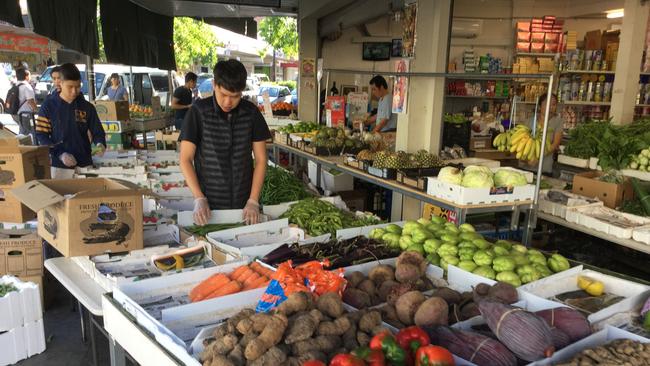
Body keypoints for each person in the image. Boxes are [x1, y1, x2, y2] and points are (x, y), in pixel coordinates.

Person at [179, 60, 271, 225]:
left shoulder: (251, 113)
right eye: (224, 95)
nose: (228, 102)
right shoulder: (198, 112)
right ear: (214, 84)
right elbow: (185, 159)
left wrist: (253, 200)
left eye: (235, 96)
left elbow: (261, 160)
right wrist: (199, 197)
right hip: (209, 207)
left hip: (244, 205)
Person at [35, 63, 106, 179]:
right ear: (60, 84)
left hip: (85, 164)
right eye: (70, 87)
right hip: (59, 166)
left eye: (78, 86)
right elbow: (41, 136)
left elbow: (98, 132)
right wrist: (60, 154)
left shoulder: (87, 107)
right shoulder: (48, 106)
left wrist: (100, 144)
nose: (74, 91)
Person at [523, 93, 563, 174]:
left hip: (544, 168)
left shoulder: (557, 122)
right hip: (526, 167)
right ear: (540, 106)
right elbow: (521, 143)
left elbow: (555, 144)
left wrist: (538, 157)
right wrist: (527, 159)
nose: (551, 107)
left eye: (554, 104)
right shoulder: (529, 121)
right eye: (547, 103)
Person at [13, 67, 37, 134]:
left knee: (22, 131)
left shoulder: (15, 85)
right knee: (26, 133)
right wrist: (37, 111)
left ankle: (20, 143)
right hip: (25, 114)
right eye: (29, 75)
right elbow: (31, 101)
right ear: (26, 76)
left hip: (15, 114)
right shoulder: (27, 86)